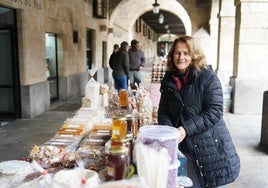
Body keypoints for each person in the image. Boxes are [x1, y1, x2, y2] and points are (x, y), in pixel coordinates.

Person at [157, 36, 240, 188]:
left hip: (210, 148)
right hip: (185, 150)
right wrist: (169, 132)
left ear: (194, 55)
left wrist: (185, 129)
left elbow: (214, 112)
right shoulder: (169, 79)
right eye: (177, 53)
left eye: (186, 53)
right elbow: (164, 112)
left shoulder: (207, 77)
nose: (181, 57)